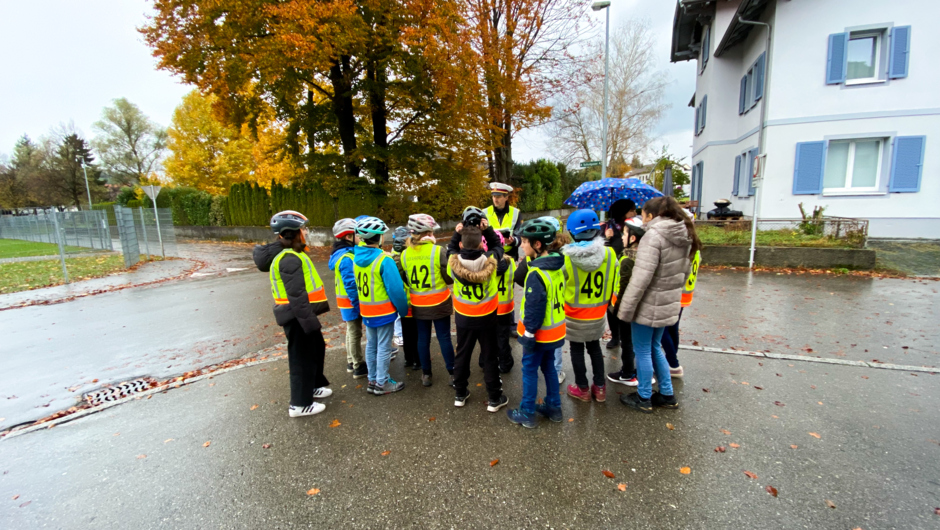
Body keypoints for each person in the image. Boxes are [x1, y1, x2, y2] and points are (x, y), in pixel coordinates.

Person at [616, 196, 702, 414]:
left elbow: (640, 278)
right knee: (655, 347)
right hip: (667, 302)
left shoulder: (653, 237)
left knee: (643, 350)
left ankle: (644, 396)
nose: (640, 218)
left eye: (642, 214)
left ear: (651, 216)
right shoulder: (685, 234)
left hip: (648, 305)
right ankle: (666, 393)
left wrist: (625, 309)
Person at [252, 211, 331, 418]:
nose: (306, 232)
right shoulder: (288, 258)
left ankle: (312, 386)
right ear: (292, 233)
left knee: (316, 348)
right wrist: (308, 322)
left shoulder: (294, 253)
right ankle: (300, 404)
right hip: (297, 316)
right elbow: (296, 294)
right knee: (301, 359)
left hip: (301, 314)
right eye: (303, 229)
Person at [506, 218, 566, 429]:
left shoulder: (536, 273)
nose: (521, 245)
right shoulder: (557, 264)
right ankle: (554, 407)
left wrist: (528, 334)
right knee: (549, 368)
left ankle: (527, 411)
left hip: (539, 334)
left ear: (537, 245)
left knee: (529, 369)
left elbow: (534, 308)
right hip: (555, 331)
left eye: (524, 241)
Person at [446, 222, 508, 411]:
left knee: (462, 354)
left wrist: (457, 233)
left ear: (462, 246)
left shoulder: (453, 263)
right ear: (482, 245)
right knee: (490, 356)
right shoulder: (491, 262)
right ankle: (494, 397)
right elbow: (498, 246)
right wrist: (488, 230)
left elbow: (450, 249)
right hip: (487, 316)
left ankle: (460, 393)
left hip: (464, 317)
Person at [560, 210, 618, 403]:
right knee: (595, 349)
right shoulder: (610, 254)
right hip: (598, 314)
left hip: (574, 316)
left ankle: (582, 389)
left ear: (572, 233)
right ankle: (600, 389)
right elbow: (617, 282)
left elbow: (560, 285)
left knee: (576, 350)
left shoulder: (567, 258)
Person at [354, 217, 409, 396]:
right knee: (384, 347)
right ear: (378, 238)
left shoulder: (356, 258)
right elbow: (396, 290)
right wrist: (402, 309)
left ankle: (372, 379)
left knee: (371, 345)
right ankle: (382, 383)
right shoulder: (384, 260)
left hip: (367, 311)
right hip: (383, 312)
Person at [400, 213, 455, 387]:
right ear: (427, 232)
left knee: (422, 339)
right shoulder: (438, 251)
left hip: (418, 305)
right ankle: (453, 373)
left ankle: (426, 374)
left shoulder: (404, 254)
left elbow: (405, 279)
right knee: (444, 337)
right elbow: (449, 278)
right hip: (439, 303)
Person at [607, 223, 649, 387]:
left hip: (624, 308)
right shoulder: (643, 257)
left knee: (627, 342)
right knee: (638, 342)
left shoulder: (626, 259)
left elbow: (623, 287)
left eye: (624, 235)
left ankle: (627, 373)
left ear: (632, 239)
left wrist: (617, 310)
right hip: (638, 308)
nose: (622, 238)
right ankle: (640, 372)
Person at [328, 218, 368, 379]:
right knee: (354, 333)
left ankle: (351, 361)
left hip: (347, 302)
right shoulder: (346, 258)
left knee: (351, 331)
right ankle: (358, 365)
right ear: (348, 237)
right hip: (351, 302)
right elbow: (351, 284)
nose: (360, 237)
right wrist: (358, 304)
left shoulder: (344, 254)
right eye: (357, 234)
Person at [660, 246, 701, 379]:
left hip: (675, 294)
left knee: (662, 329)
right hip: (684, 295)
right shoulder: (695, 249)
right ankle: (671, 360)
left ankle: (673, 364)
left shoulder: (681, 249)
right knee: (672, 328)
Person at [391, 226, 421, 371]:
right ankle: (417, 360)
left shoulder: (391, 257)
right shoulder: (407, 256)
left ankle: (408, 359)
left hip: (401, 302)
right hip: (412, 300)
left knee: (406, 331)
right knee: (415, 333)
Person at [483, 182, 522, 260]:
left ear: (506, 197)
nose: (495, 199)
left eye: (498, 196)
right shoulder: (484, 212)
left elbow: (520, 236)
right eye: (493, 196)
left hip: (510, 255)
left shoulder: (516, 213)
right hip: (491, 254)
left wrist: (513, 241)